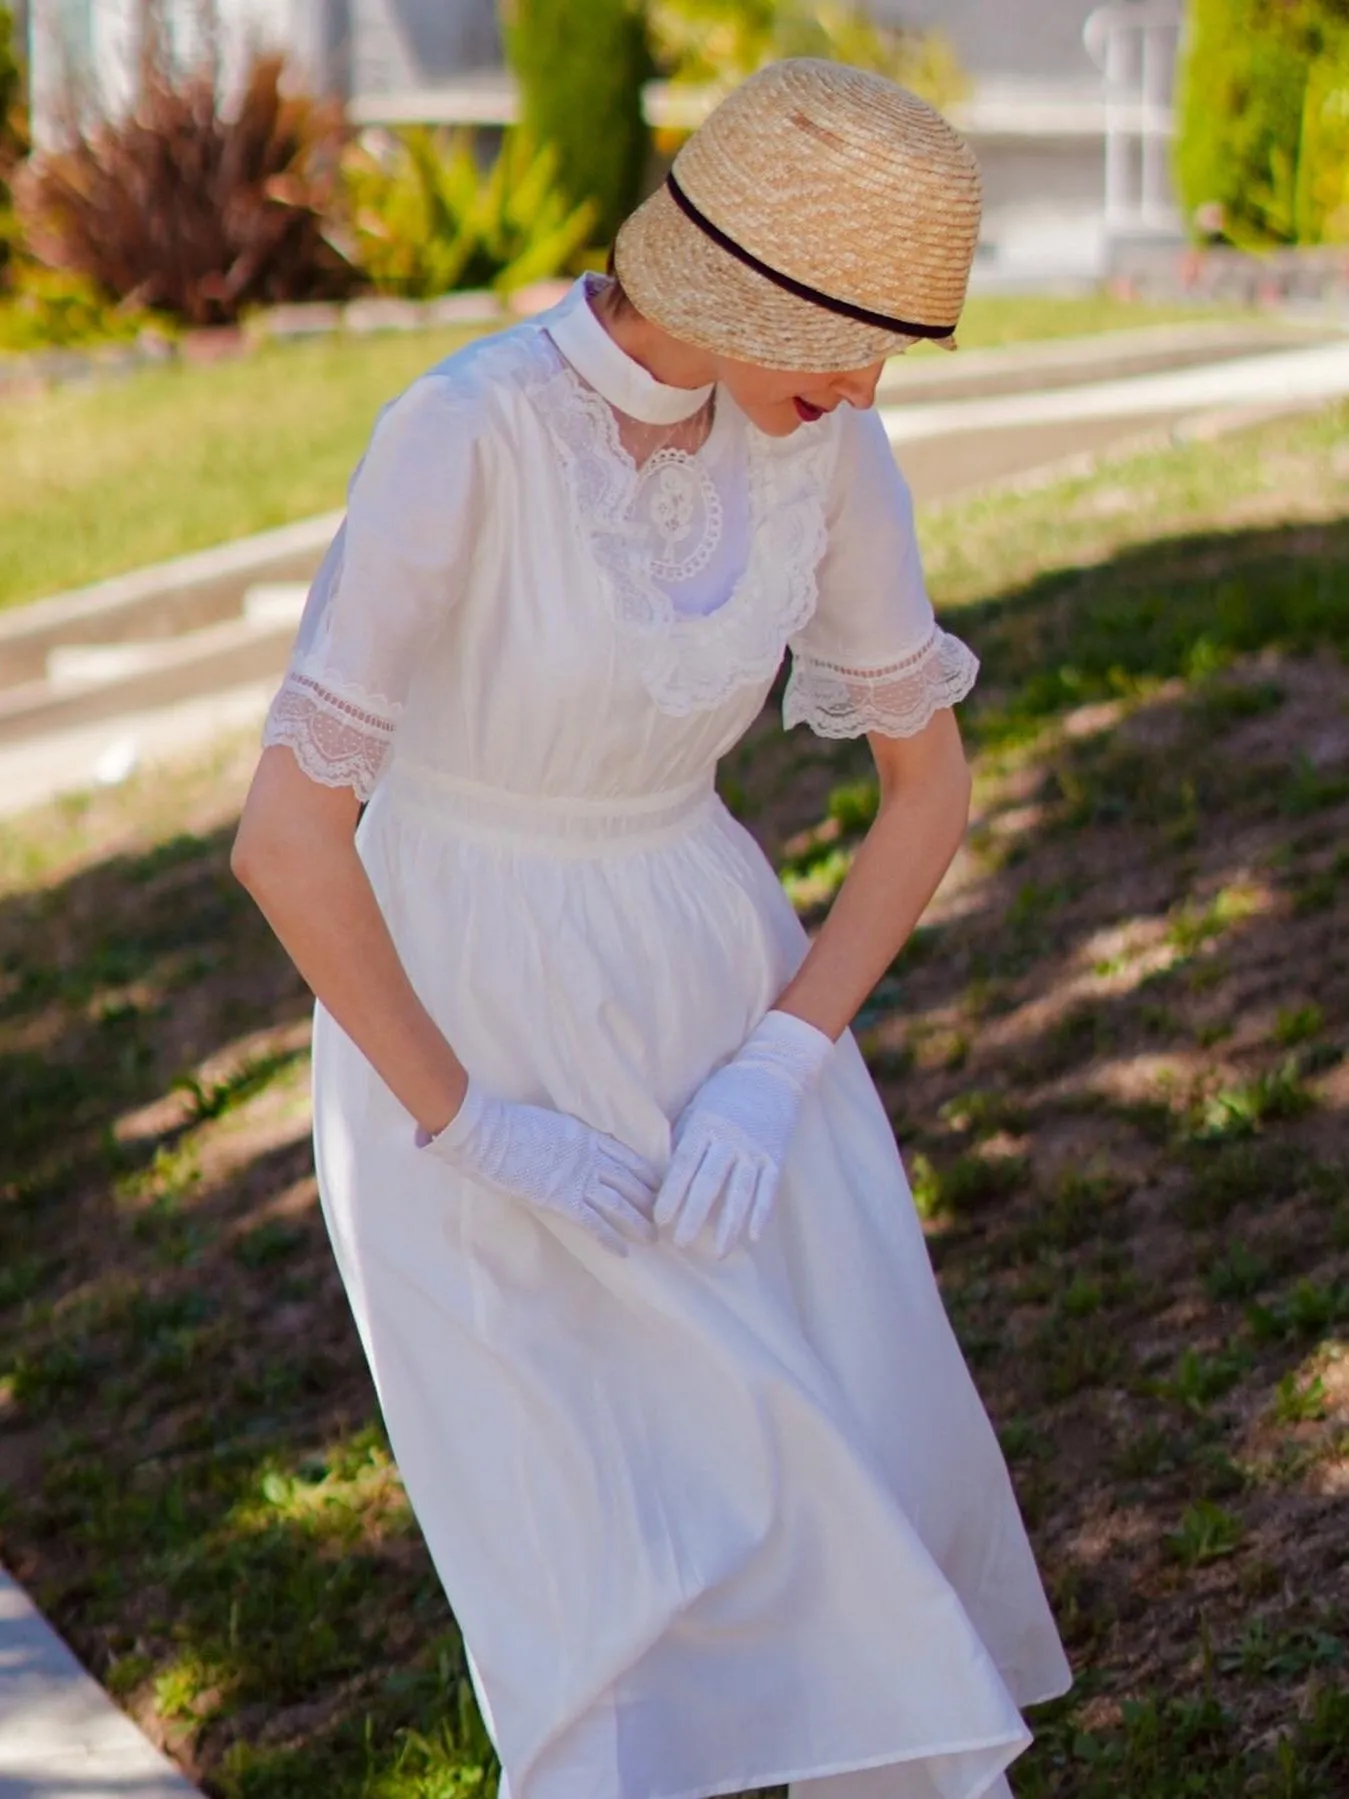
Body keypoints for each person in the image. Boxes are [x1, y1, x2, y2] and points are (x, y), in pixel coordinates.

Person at [232, 57, 1071, 1799]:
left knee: (829, 1487)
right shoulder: (461, 435)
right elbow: (288, 839)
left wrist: (783, 1057)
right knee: (583, 1564)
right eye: (844, 337)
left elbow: (931, 793)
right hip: (453, 1018)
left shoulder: (833, 446)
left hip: (719, 988)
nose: (863, 384)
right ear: (739, 286)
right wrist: (472, 1122)